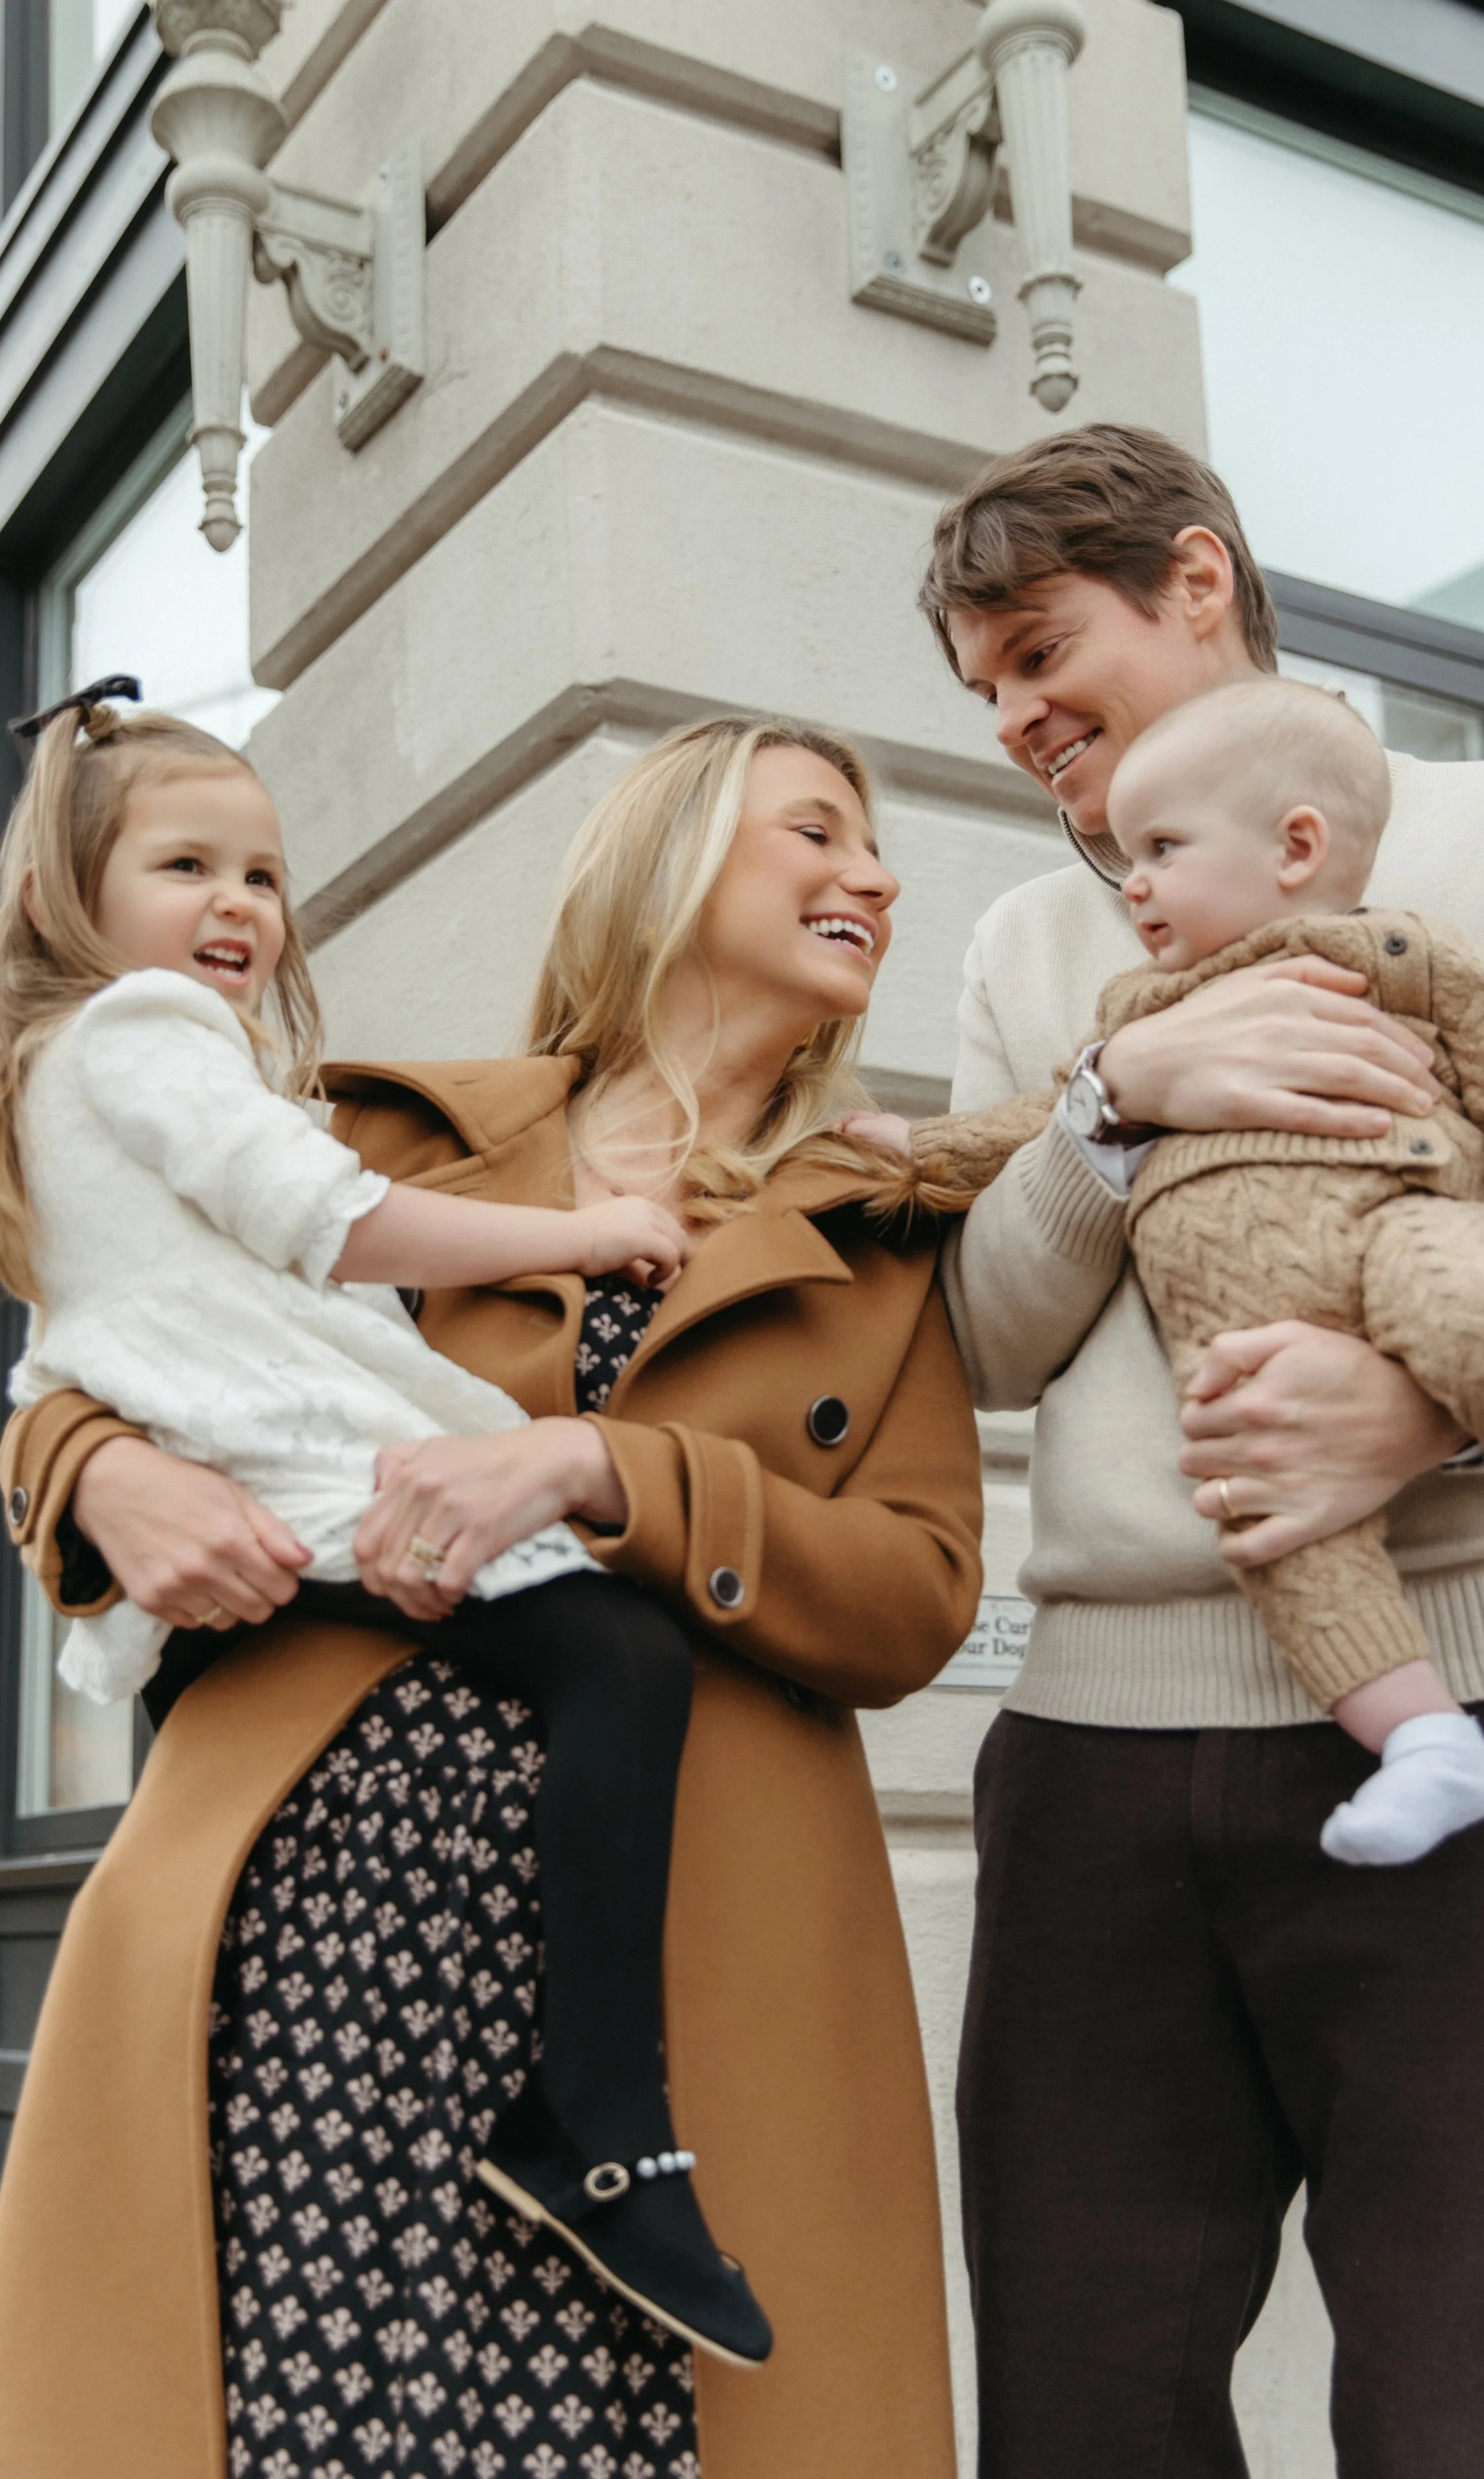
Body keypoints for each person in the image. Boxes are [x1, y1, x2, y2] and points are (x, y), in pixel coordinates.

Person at [0, 708, 983, 2479]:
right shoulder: (385, 1134)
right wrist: (91, 1467)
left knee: (615, 2436)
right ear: (671, 860)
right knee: (309, 2413)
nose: (875, 874)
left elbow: (915, 1594)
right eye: (817, 832)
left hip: (667, 1952)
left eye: (875, 848)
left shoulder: (880, 1236)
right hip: (319, 1899)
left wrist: (611, 1471)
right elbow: (140, 1313)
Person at [921, 425, 1484, 2477]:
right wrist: (1115, 1098)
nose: (1010, 716)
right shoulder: (1029, 956)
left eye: (1037, 647)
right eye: (977, 687)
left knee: (1481, 2396)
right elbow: (984, 1333)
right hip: (1096, 1742)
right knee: (1082, 2399)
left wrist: (1425, 1409)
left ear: (1194, 580)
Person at [855, 671, 1484, 1869]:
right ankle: (1426, 1742)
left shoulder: (1404, 939)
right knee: (1285, 1542)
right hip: (1228, 1354)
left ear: (1296, 848)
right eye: (980, 680)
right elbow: (1026, 1139)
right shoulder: (1124, 1001)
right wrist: (932, 1149)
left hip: (1400, 1229)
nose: (1136, 882)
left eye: (1039, 648)